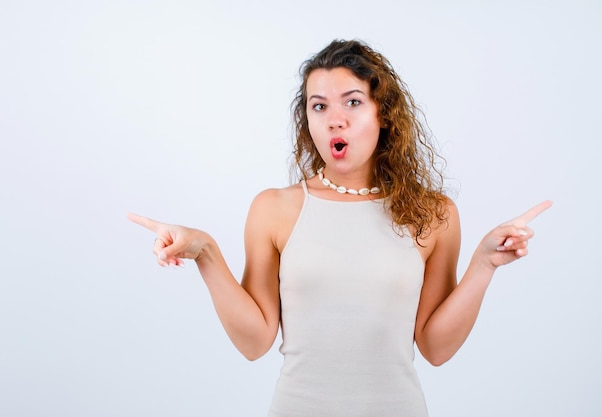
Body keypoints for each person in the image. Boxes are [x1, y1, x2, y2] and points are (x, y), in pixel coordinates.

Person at [128, 39, 551, 417]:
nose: (334, 119)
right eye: (319, 105)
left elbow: (435, 348)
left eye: (352, 102)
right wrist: (205, 251)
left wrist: (484, 265)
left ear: (383, 114)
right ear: (307, 120)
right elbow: (255, 342)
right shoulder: (274, 208)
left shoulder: (433, 214)